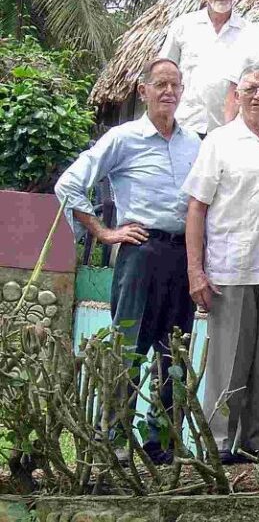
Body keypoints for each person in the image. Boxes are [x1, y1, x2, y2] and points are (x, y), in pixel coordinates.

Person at [55, 59, 201, 463]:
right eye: (160, 84)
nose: (168, 92)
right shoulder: (124, 138)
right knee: (128, 347)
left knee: (175, 351)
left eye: (175, 85)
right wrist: (104, 232)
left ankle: (163, 442)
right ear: (143, 90)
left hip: (183, 255)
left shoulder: (195, 142)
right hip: (140, 253)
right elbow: (69, 183)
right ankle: (117, 439)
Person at [183, 64, 259, 463]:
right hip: (231, 267)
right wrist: (195, 269)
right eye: (249, 89)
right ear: (236, 96)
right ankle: (220, 443)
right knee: (229, 363)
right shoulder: (220, 142)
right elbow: (196, 208)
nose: (257, 96)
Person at [159, 0, 249, 136]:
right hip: (185, 125)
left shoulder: (249, 32)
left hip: (228, 131)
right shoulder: (183, 26)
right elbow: (164, 71)